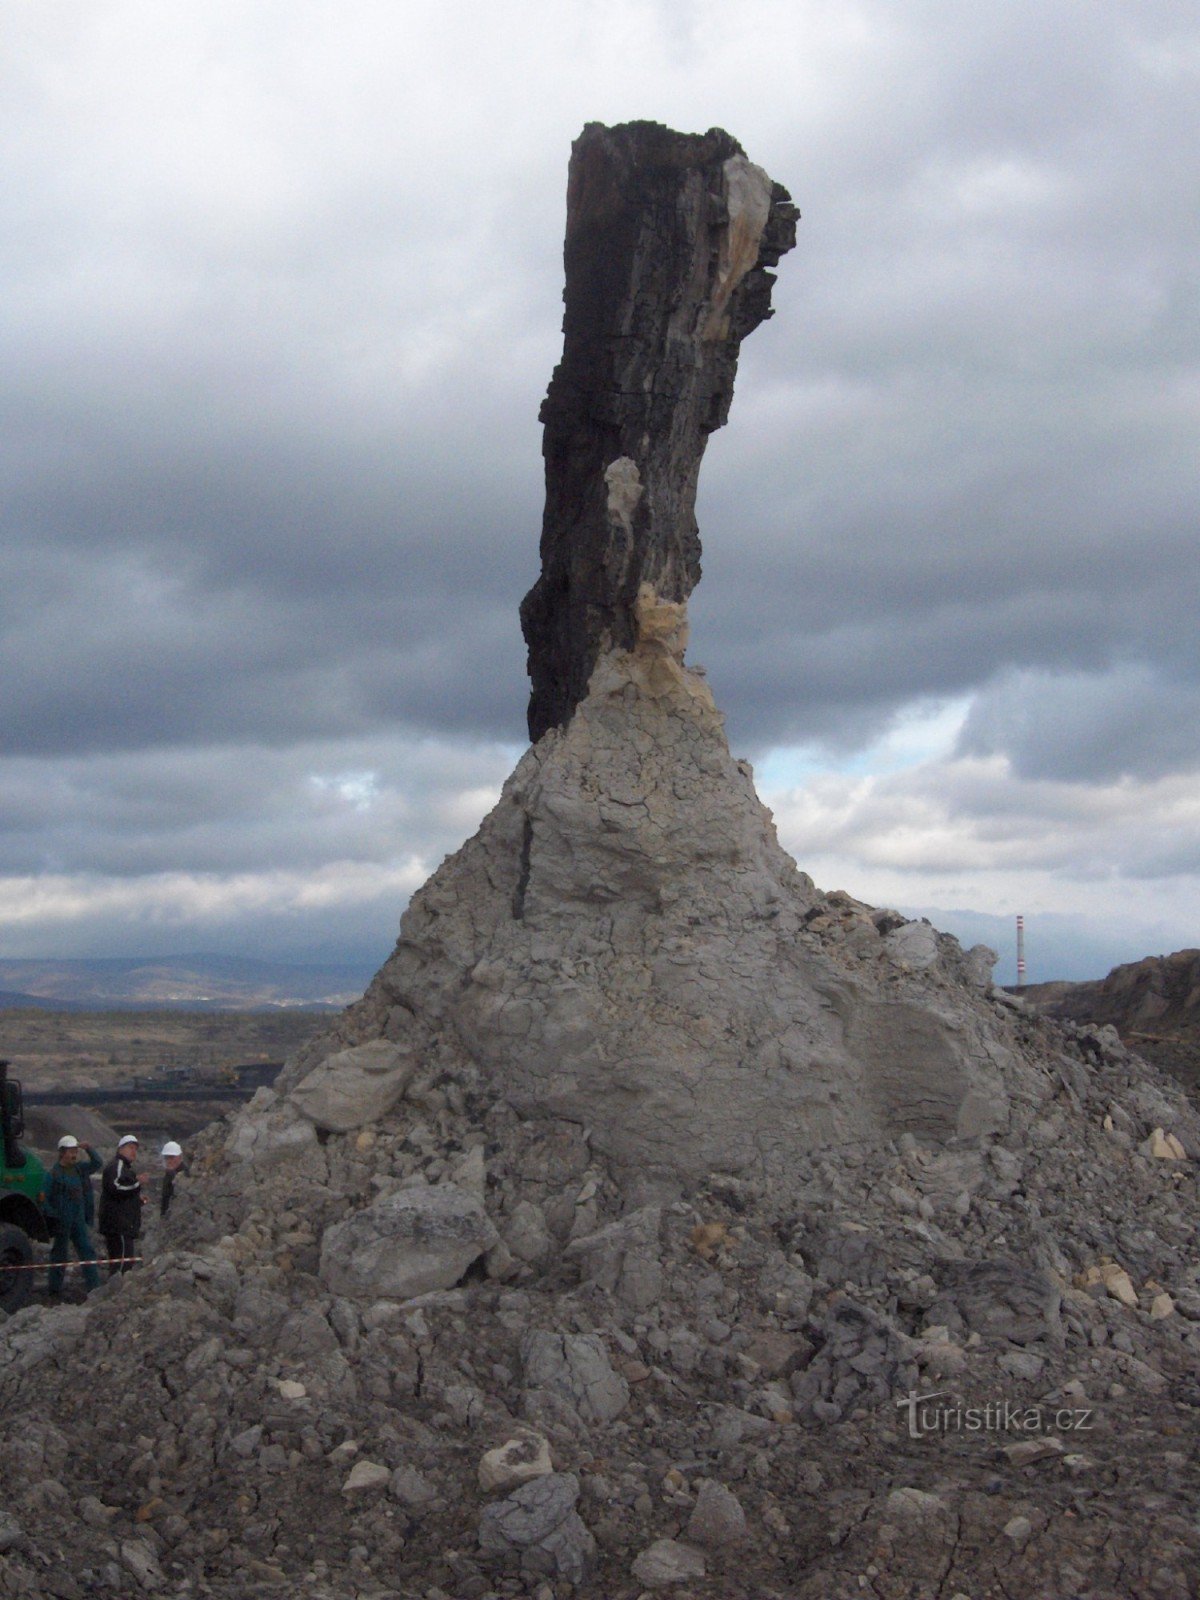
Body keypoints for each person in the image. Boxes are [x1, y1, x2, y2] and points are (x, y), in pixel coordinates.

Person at [43, 1135, 103, 1295]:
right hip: (62, 1221)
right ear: (62, 1152)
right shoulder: (53, 1175)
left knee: (87, 1250)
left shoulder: (80, 1169)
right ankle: (54, 1290)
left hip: (78, 1219)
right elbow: (44, 1199)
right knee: (59, 1255)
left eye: (75, 1151)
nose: (74, 1154)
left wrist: (88, 1148)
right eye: (71, 1151)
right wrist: (53, 1215)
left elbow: (97, 1163)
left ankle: (94, 1289)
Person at [98, 1134, 146, 1276]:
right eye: (130, 1147)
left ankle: (113, 1293)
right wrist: (138, 1184)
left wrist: (137, 1200)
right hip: (119, 1226)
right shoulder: (117, 1165)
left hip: (121, 1225)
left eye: (135, 1149)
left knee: (121, 1263)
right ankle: (116, 1293)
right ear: (120, 1149)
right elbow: (115, 1187)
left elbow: (123, 1193)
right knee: (123, 1264)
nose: (134, 1152)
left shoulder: (125, 1168)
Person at [160, 1140, 183, 1218]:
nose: (169, 1161)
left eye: (172, 1157)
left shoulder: (184, 1175)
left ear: (179, 1157)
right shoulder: (169, 1174)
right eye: (167, 1158)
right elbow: (165, 1196)